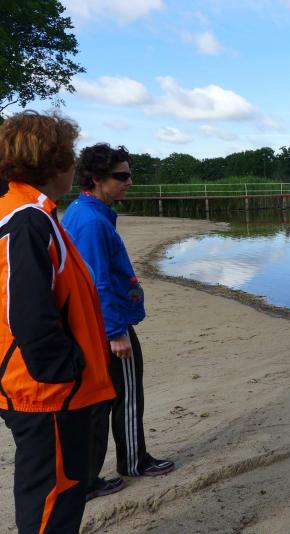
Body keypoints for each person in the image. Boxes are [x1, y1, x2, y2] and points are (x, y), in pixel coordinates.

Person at [0, 111, 117, 533]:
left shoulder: (28, 213)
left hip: (39, 388)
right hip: (47, 394)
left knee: (49, 495)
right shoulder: (28, 220)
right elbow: (28, 311)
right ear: (55, 163)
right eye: (69, 155)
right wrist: (65, 371)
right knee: (53, 503)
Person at [62, 143, 175, 488]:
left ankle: (88, 478)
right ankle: (134, 461)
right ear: (96, 178)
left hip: (93, 323)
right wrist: (116, 332)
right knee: (126, 394)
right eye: (121, 176)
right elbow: (97, 282)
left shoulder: (83, 211)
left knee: (100, 399)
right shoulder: (92, 221)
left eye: (129, 175)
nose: (129, 182)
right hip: (106, 325)